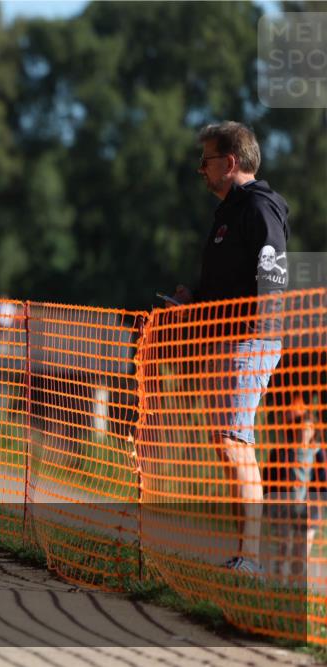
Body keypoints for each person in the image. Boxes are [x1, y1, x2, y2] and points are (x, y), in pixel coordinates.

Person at [169, 121, 289, 574]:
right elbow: (229, 281)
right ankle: (246, 555)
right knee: (227, 440)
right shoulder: (229, 212)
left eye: (207, 160)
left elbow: (271, 278)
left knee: (234, 439)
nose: (201, 169)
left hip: (250, 338)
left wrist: (253, 329)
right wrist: (195, 300)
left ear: (230, 162)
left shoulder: (258, 207)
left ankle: (250, 559)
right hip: (226, 338)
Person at [263, 394, 324, 583]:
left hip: (308, 510)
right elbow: (268, 480)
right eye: (301, 428)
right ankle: (279, 587)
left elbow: (323, 480)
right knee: (283, 550)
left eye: (308, 428)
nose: (304, 432)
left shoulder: (318, 453)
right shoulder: (281, 452)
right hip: (285, 509)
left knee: (301, 555)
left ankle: (296, 589)